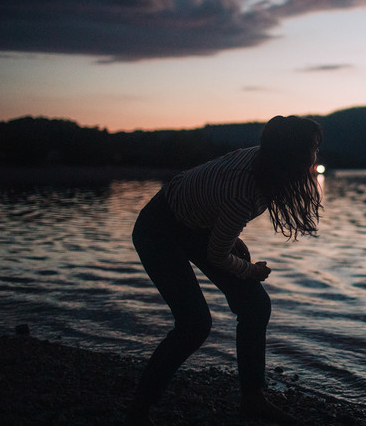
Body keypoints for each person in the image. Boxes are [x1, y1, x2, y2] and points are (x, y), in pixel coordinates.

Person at [126, 115, 322, 425]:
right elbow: (217, 254)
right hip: (159, 229)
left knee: (255, 306)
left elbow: (217, 215)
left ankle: (253, 400)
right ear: (291, 153)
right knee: (194, 325)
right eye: (312, 148)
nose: (316, 155)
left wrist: (235, 241)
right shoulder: (244, 190)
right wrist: (249, 270)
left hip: (196, 223)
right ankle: (138, 410)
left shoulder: (266, 162)